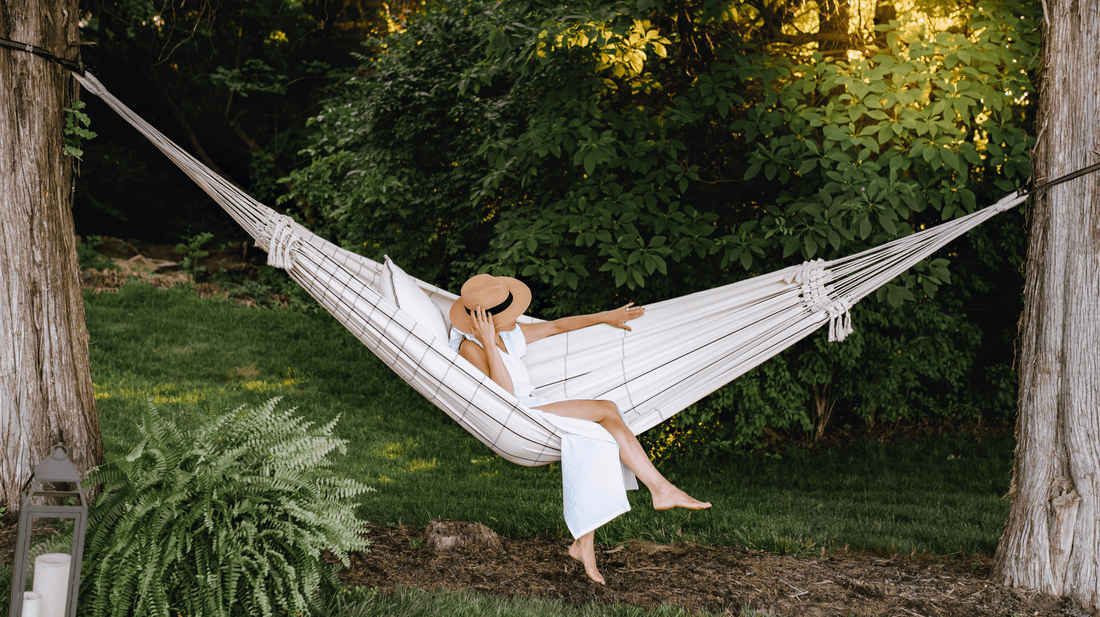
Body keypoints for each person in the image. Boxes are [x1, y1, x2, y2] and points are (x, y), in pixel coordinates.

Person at [448, 273, 711, 584]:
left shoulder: (510, 333)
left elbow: (559, 326)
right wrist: (489, 344)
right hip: (518, 415)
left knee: (597, 438)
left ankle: (583, 544)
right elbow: (503, 398)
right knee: (606, 409)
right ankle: (661, 489)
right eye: (507, 315)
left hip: (534, 405)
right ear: (486, 322)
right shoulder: (471, 348)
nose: (515, 318)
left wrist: (606, 317)